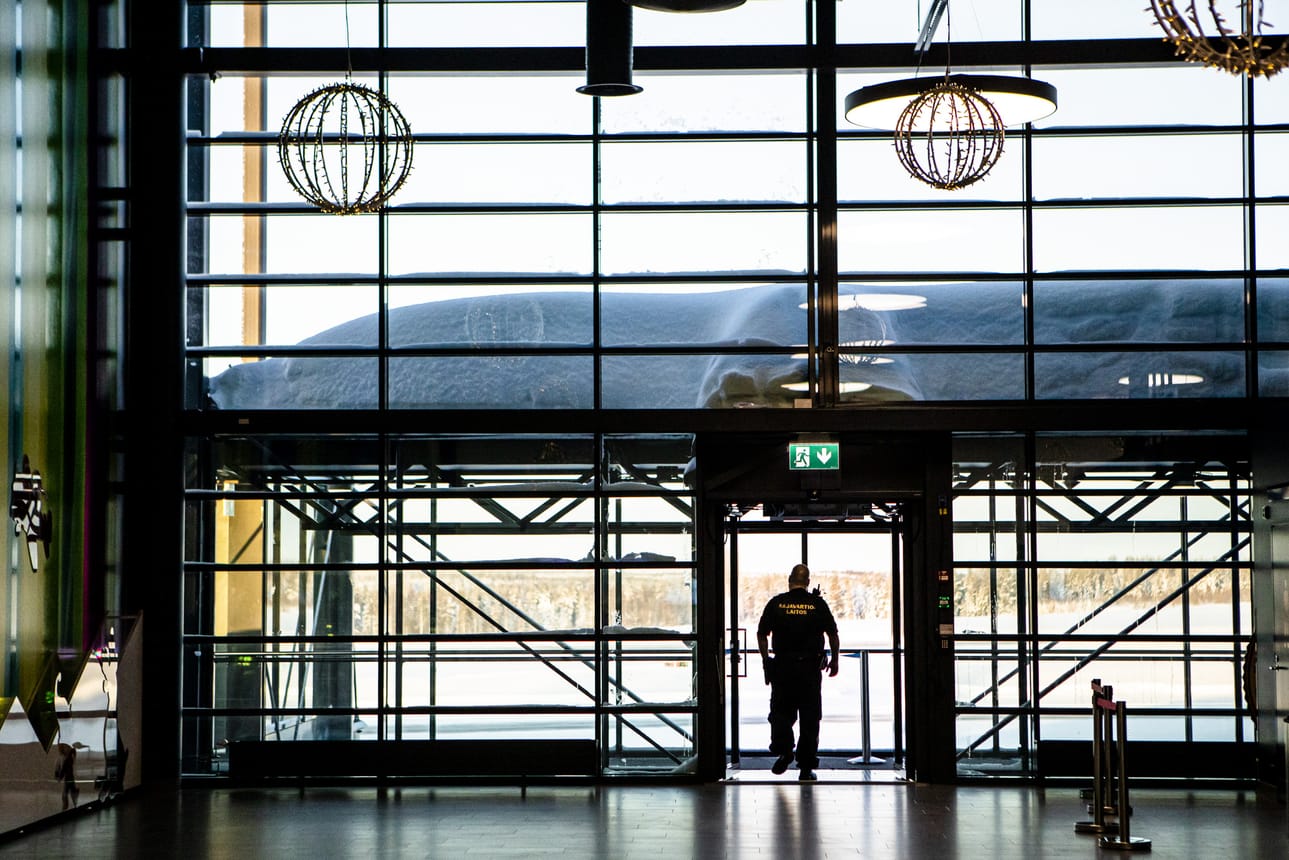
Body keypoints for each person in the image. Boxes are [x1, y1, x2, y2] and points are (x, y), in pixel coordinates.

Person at [756, 563, 840, 781]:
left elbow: (761, 634)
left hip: (783, 668)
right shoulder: (817, 604)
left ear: (789, 579)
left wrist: (767, 661)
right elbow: (833, 635)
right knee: (810, 718)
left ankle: (785, 750)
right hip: (810, 670)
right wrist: (836, 661)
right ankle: (805, 766)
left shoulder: (776, 603)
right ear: (808, 582)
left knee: (780, 713)